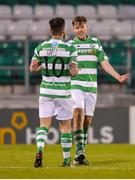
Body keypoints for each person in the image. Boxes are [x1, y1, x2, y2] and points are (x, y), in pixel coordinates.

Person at [68, 16, 129, 165]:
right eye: (77, 27)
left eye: (82, 27)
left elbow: (104, 62)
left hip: (91, 87)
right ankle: (79, 152)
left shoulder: (95, 43)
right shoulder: (69, 45)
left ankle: (81, 152)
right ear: (73, 29)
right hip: (75, 85)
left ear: (86, 27)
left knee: (87, 121)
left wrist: (117, 76)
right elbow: (65, 67)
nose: (80, 30)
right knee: (77, 114)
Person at [30, 17, 79, 168]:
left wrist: (39, 67)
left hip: (45, 92)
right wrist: (74, 71)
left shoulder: (41, 47)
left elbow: (32, 68)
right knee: (65, 126)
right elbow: (73, 71)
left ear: (50, 30)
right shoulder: (70, 49)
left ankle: (39, 149)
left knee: (44, 125)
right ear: (64, 31)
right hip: (63, 92)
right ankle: (66, 160)